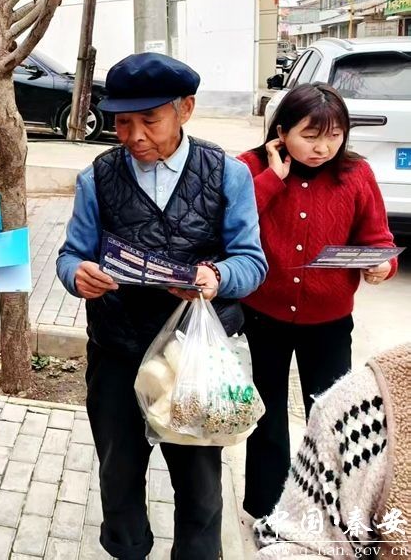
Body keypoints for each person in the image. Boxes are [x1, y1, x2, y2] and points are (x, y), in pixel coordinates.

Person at [56, 52, 268, 560]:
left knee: (200, 486)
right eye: (122, 122)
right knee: (118, 474)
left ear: (185, 109)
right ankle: (128, 550)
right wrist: (76, 275)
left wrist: (216, 277)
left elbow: (252, 262)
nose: (134, 136)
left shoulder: (227, 174)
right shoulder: (97, 177)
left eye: (149, 120)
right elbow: (70, 255)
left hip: (194, 358)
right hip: (117, 350)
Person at [237, 83, 399, 521]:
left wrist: (382, 266)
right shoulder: (251, 167)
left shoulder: (356, 174)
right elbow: (231, 225)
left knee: (330, 417)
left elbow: (378, 239)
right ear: (281, 131)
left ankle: (326, 510)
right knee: (266, 414)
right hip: (262, 314)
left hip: (329, 322)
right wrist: (272, 180)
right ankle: (268, 510)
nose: (323, 148)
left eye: (334, 136)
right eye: (310, 136)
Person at [254, 342, 411, 558]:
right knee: (269, 425)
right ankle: (268, 507)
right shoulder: (362, 408)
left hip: (328, 329)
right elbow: (297, 548)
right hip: (273, 328)